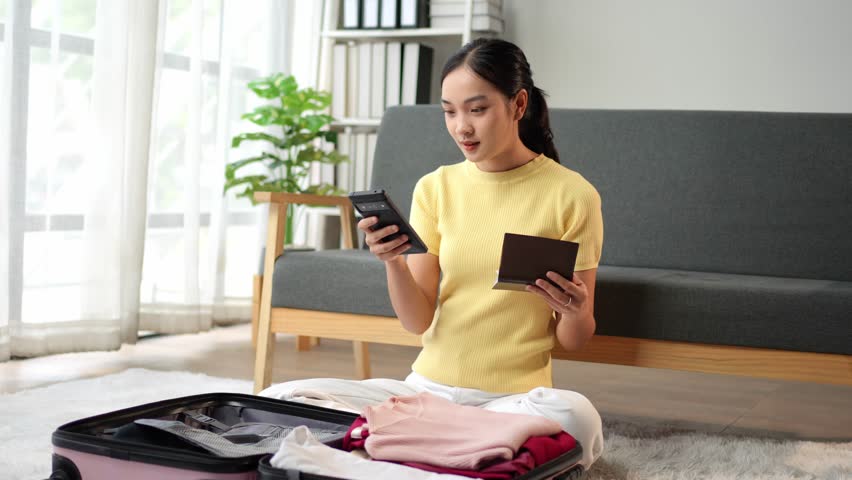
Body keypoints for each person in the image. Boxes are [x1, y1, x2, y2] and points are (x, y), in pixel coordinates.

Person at [260, 38, 605, 468]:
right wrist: (392, 261)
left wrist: (575, 310)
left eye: (477, 110)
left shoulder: (572, 195)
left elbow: (572, 339)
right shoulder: (436, 187)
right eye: (450, 111)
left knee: (577, 416)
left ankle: (408, 445)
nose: (462, 126)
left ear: (518, 105)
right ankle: (458, 449)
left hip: (511, 402)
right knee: (280, 397)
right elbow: (417, 320)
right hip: (426, 394)